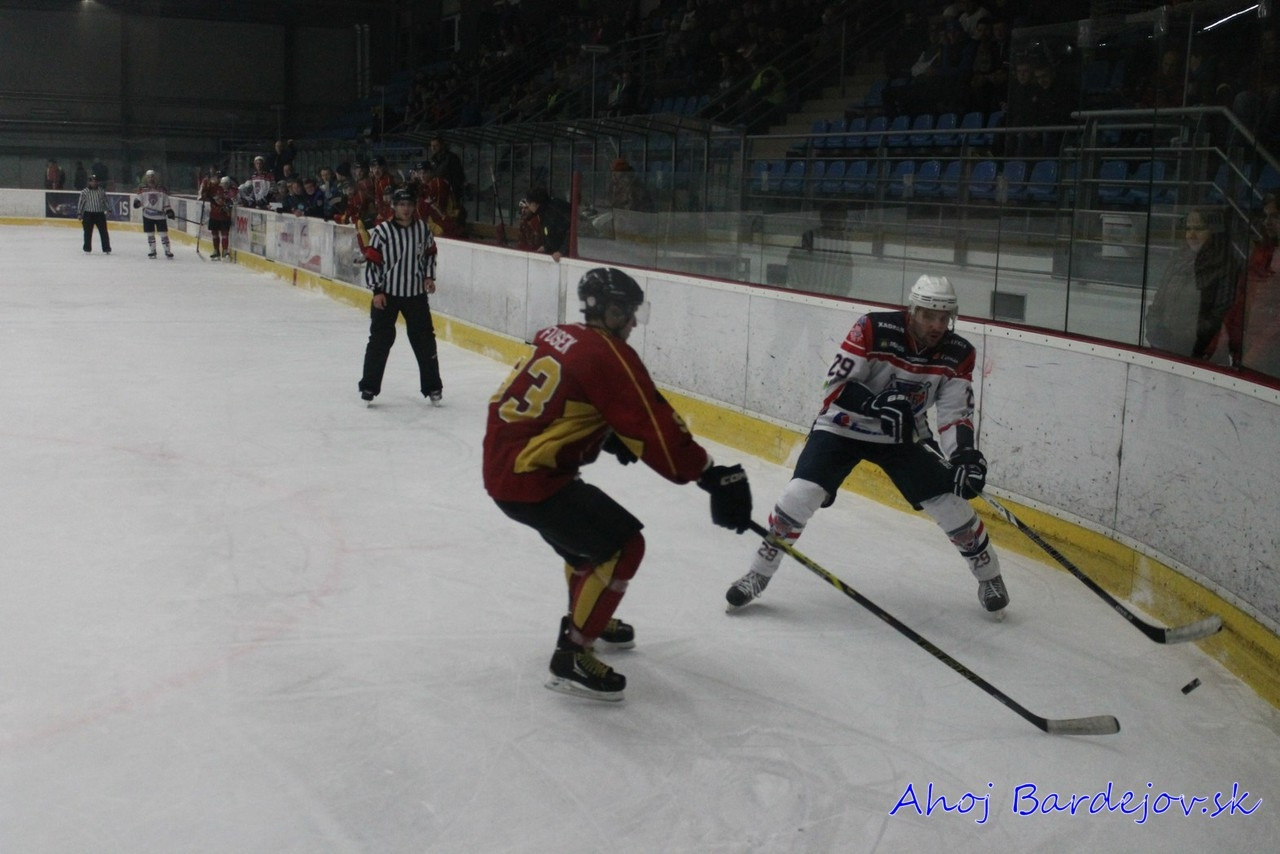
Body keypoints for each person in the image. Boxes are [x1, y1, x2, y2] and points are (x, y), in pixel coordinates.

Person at [482, 267, 754, 701]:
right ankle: (572, 655)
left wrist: (605, 436)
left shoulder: (562, 336)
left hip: (508, 470)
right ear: (610, 312)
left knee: (585, 547)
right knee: (624, 546)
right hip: (534, 479)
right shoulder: (609, 355)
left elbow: (554, 405)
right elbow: (656, 428)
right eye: (628, 313)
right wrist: (710, 474)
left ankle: (589, 613)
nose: (633, 323)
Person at [725, 275, 1008, 617]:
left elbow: (954, 414)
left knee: (949, 503)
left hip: (903, 435)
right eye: (929, 316)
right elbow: (834, 385)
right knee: (799, 494)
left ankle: (989, 576)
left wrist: (964, 457)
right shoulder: (873, 328)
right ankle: (758, 573)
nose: (937, 325)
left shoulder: (959, 352)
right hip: (843, 426)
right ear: (912, 311)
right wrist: (874, 404)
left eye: (943, 317)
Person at [357, 187, 444, 404]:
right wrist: (377, 291)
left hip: (415, 294)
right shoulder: (382, 231)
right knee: (380, 340)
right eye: (401, 205)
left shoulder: (423, 229)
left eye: (410, 205)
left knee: (425, 341)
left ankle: (433, 387)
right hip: (387, 294)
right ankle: (369, 386)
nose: (406, 209)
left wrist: (429, 277)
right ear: (393, 206)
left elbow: (430, 253)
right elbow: (373, 261)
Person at [1145, 208, 1238, 361]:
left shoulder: (1225, 266)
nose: (1191, 235)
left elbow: (1219, 317)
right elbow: (1158, 303)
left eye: (1199, 229)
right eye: (1188, 229)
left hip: (1200, 356)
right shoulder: (1178, 260)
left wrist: (1179, 339)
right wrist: (1154, 329)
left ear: (1214, 232)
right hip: (1164, 349)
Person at [1225, 195, 1280, 376]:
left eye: (1275, 216)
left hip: (1267, 361)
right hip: (1247, 351)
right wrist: (1227, 340)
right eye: (1266, 216)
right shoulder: (1261, 253)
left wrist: (1253, 358)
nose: (1267, 222)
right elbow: (1241, 300)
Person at [132, 169, 175, 259]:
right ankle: (152, 251)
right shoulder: (142, 189)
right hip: (147, 215)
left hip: (160, 216)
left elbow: (166, 201)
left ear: (155, 177)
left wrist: (168, 210)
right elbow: (138, 200)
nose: (150, 178)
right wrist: (137, 203)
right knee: (150, 234)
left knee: (163, 234)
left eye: (152, 176)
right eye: (148, 177)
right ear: (146, 178)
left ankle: (167, 251)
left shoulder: (162, 189)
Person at [524, 186, 570, 261]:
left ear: (535, 203)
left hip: (567, 256)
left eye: (529, 203)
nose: (528, 206)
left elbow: (570, 232)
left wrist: (561, 251)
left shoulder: (554, 212)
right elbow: (549, 233)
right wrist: (546, 247)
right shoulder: (543, 212)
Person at [201, 175, 236, 260]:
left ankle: (225, 250)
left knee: (225, 234)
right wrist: (204, 189)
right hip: (214, 215)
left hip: (224, 217)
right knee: (214, 234)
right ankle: (216, 250)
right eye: (223, 183)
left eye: (226, 184)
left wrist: (228, 206)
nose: (225, 185)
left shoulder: (232, 191)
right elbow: (204, 195)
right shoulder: (214, 189)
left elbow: (233, 201)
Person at [76, 173, 112, 254]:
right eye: (92, 181)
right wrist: (79, 213)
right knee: (87, 232)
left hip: (100, 214)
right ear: (89, 182)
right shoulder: (85, 192)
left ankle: (106, 248)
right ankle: (87, 248)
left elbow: (105, 200)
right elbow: (81, 203)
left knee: (104, 232)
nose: (94, 183)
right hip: (88, 214)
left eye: (95, 181)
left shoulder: (101, 191)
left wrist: (109, 209)